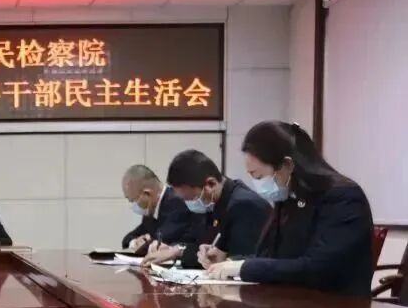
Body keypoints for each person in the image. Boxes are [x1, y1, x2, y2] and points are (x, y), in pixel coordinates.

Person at [206, 121, 374, 296]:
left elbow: (321, 268)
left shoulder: (343, 197)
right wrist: (229, 262)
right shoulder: (289, 199)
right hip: (288, 303)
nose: (257, 184)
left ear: (287, 165)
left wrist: (245, 268)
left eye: (259, 176)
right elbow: (273, 258)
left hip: (335, 307)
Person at [142, 150, 270, 267]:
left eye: (191, 198)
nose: (189, 204)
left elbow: (245, 260)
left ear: (211, 184)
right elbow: (203, 247)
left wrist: (224, 260)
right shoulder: (212, 203)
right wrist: (176, 250)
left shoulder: (243, 205)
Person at [120, 164, 192, 252]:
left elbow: (161, 240)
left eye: (133, 200)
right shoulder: (151, 211)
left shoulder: (177, 202)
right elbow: (127, 239)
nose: (133, 206)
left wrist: (144, 243)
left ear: (147, 194)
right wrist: (135, 242)